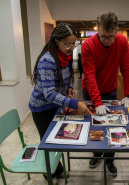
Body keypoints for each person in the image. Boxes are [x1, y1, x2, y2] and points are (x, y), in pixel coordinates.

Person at [29, 23, 91, 180]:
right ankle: (49, 174)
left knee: (57, 139)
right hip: (42, 108)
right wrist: (75, 103)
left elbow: (65, 76)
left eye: (74, 43)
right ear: (57, 42)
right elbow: (49, 94)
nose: (71, 48)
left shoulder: (66, 56)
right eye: (67, 44)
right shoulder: (47, 61)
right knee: (47, 143)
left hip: (56, 105)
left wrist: (69, 87)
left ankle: (58, 168)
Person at [81, 11, 129, 176]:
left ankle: (109, 159)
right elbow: (90, 76)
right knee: (94, 125)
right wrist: (97, 102)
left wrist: (128, 94)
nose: (108, 41)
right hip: (89, 93)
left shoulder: (122, 41)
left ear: (117, 30)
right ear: (98, 30)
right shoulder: (88, 45)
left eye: (111, 36)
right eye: (103, 36)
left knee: (113, 126)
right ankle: (97, 154)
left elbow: (126, 68)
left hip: (110, 92)